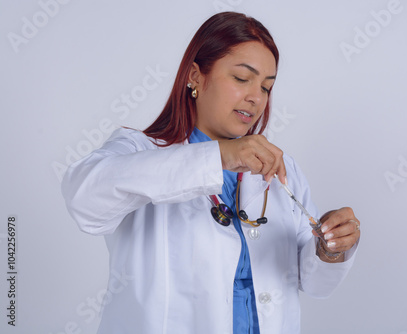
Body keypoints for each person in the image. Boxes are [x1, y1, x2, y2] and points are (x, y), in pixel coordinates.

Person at [62, 11, 360, 334]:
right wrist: (218, 157)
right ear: (195, 76)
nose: (255, 97)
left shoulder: (277, 169)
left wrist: (330, 247)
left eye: (266, 87)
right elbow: (84, 200)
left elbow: (313, 282)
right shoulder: (140, 151)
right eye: (242, 78)